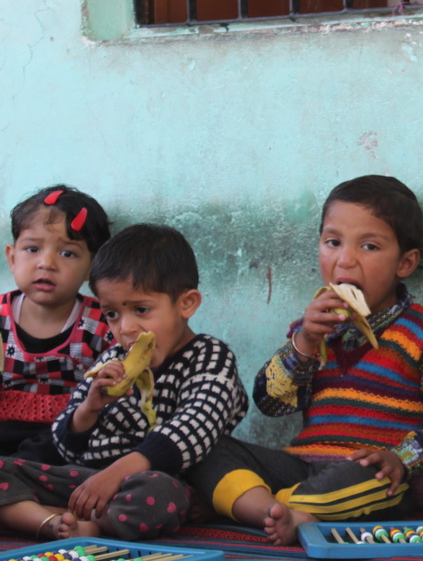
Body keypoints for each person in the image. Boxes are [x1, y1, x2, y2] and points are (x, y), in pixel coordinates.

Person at [187, 175, 423, 546]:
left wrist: (402, 460)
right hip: (302, 465)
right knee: (208, 448)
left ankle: (257, 505)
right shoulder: (311, 330)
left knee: (358, 481)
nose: (345, 260)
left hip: (374, 474)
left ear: (405, 263)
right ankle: (280, 511)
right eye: (333, 242)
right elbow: (270, 402)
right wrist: (305, 342)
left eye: (369, 246)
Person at [0, 223, 248, 540]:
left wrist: (116, 474)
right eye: (112, 314)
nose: (126, 328)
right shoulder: (111, 359)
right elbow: (64, 448)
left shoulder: (210, 357)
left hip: (147, 483)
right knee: (8, 469)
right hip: (86, 483)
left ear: (186, 304)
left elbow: (196, 424)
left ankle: (87, 527)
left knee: (158, 495)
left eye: (141, 310)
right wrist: (88, 409)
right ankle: (48, 521)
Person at [1, 186, 114, 464]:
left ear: (93, 267)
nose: (46, 263)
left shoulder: (102, 323)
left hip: (63, 436)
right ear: (12, 257)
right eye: (32, 249)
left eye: (67, 254)